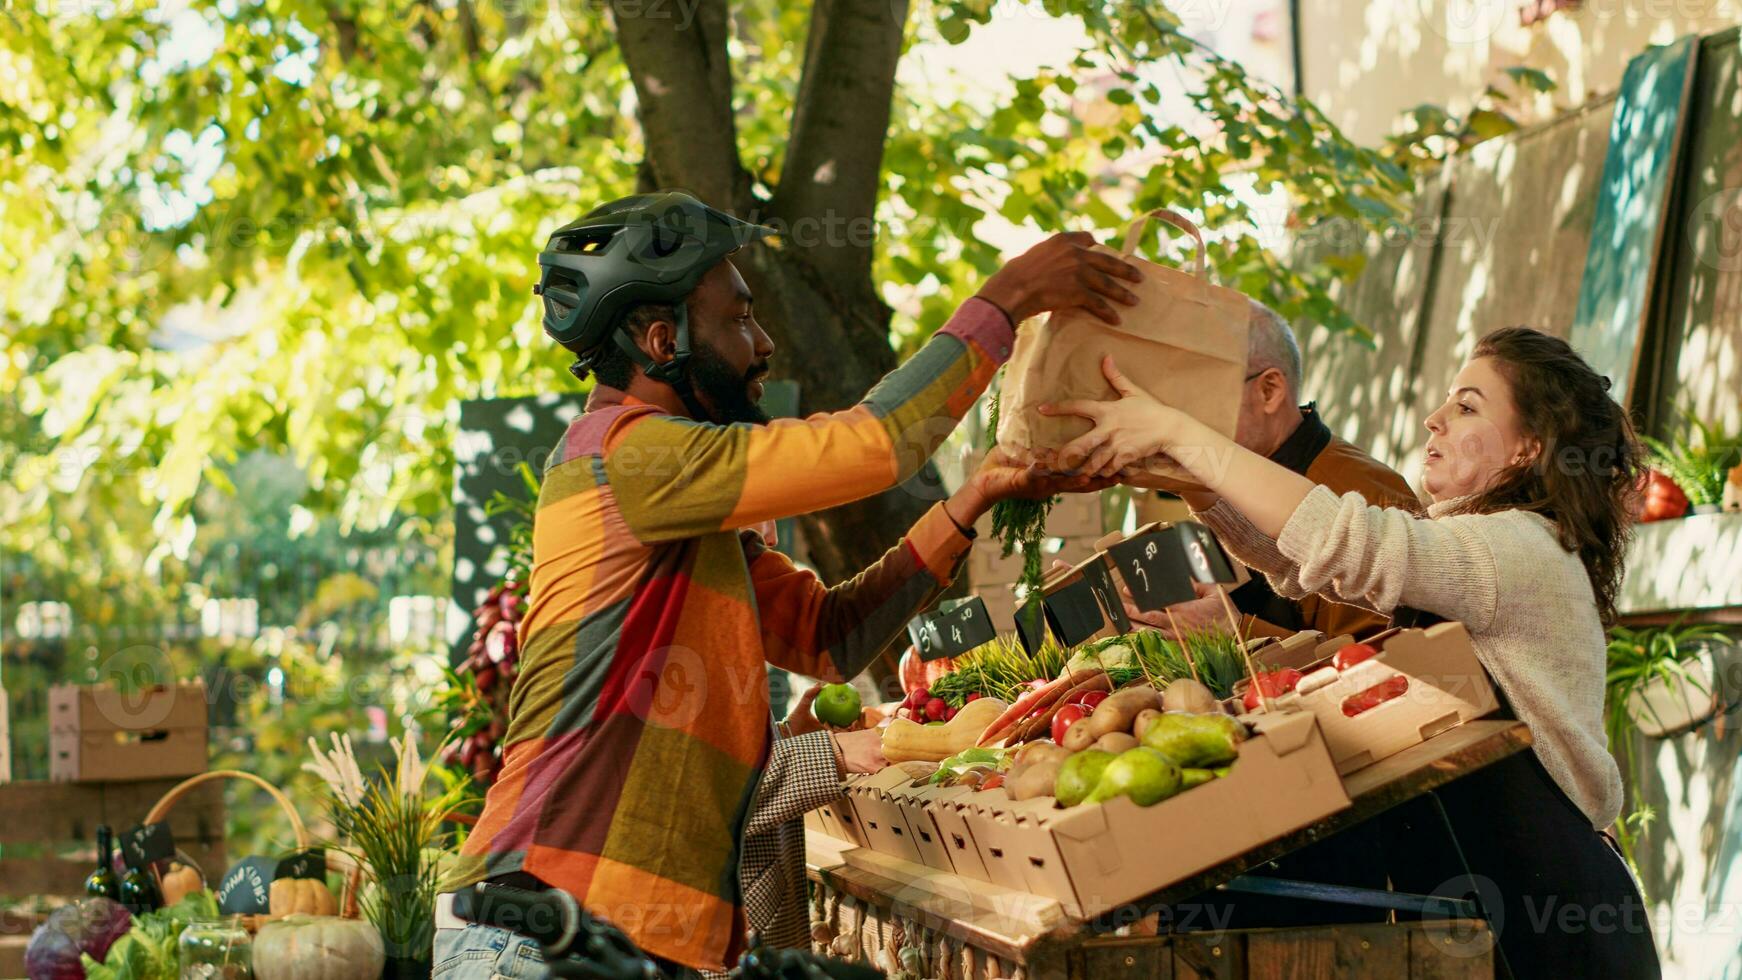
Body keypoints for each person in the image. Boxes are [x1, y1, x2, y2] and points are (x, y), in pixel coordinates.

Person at [434, 191, 1139, 979]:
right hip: (541, 937)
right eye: (738, 320)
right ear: (664, 340)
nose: (763, 342)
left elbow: (827, 637)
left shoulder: (687, 501)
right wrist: (1006, 300)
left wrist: (970, 501)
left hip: (611, 946)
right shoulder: (621, 455)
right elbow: (877, 444)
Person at [1044, 328, 1659, 977]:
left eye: (1468, 406)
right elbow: (1303, 560)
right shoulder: (1481, 540)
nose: (1436, 418)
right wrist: (1180, 471)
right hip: (1495, 905)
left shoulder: (1520, 549)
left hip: (1556, 922)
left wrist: (1181, 435)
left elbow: (1351, 542)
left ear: (1532, 446)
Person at [1123, 300, 1418, 643]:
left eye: (1200, 394)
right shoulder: (1204, 484)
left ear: (1269, 391)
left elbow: (1391, 666)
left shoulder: (1360, 494)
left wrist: (1235, 633)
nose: (1182, 416)